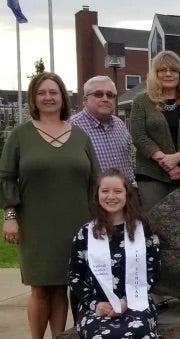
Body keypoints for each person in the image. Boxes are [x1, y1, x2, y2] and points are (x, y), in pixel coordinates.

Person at [0, 72, 99, 339]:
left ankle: (59, 337)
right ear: (34, 98)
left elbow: (95, 180)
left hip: (76, 223)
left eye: (53, 92)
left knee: (62, 286)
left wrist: (98, 219)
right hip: (35, 224)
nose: (48, 97)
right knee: (40, 288)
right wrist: (10, 215)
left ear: (63, 97)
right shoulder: (21, 135)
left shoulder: (80, 136)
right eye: (42, 92)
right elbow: (6, 177)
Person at [69, 169, 161, 338]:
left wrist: (127, 301)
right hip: (97, 307)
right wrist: (95, 304)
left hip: (136, 302)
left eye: (118, 191)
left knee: (138, 331)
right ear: (97, 195)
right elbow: (75, 276)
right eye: (105, 191)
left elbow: (152, 270)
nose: (111, 196)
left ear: (128, 195)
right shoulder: (85, 233)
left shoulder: (144, 230)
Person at [130, 50, 180, 211]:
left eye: (173, 70)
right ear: (155, 74)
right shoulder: (141, 101)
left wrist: (177, 157)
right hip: (151, 176)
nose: (168, 74)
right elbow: (139, 136)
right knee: (154, 225)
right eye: (162, 70)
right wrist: (169, 164)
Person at [70, 75, 135, 184]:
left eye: (110, 95)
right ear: (85, 100)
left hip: (125, 195)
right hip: (91, 196)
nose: (105, 99)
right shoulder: (72, 128)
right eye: (98, 94)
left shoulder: (120, 125)